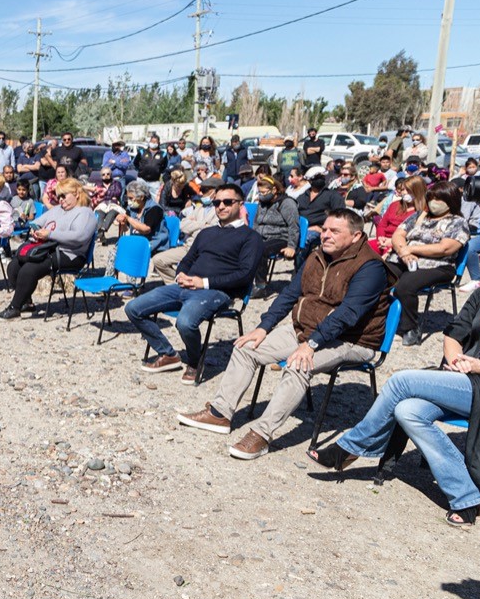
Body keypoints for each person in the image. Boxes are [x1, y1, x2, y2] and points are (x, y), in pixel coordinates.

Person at [177, 208, 391, 460]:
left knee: (298, 365)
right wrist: (262, 328)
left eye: (335, 231)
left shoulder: (370, 267)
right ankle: (220, 414)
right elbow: (289, 294)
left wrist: (311, 344)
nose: (326, 236)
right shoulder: (317, 255)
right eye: (324, 230)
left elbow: (348, 315)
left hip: (351, 338)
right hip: (307, 328)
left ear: (356, 237)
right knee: (246, 347)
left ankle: (261, 434)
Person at [311, 282, 480, 526]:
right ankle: (468, 496)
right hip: (462, 379)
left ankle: (349, 448)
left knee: (401, 381)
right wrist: (455, 361)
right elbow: (453, 334)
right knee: (407, 410)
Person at [125, 184, 264, 384]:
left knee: (185, 322)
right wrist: (181, 273)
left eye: (227, 202)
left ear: (240, 204)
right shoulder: (206, 233)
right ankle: (168, 354)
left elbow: (244, 275)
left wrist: (203, 282)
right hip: (185, 286)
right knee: (133, 308)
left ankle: (194, 360)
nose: (221, 206)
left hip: (216, 292)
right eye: (217, 202)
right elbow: (187, 259)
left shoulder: (251, 238)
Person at [0, 178, 97, 320]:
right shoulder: (57, 209)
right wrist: (34, 230)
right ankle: (26, 302)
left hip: (71, 254)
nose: (60, 200)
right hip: (49, 249)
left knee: (29, 269)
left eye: (64, 196)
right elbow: (37, 222)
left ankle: (15, 308)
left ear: (77, 194)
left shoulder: (85, 213)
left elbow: (79, 237)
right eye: (58, 196)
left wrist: (50, 234)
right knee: (14, 265)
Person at [385, 180, 468, 345]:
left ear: (450, 201)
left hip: (438, 265)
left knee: (405, 285)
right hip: (405, 258)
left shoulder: (458, 222)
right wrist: (403, 251)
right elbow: (398, 234)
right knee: (377, 275)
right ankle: (378, 319)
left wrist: (413, 250)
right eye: (432, 198)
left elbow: (445, 248)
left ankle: (409, 327)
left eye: (439, 199)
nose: (433, 203)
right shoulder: (419, 216)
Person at [151, 199, 218, 283]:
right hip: (188, 246)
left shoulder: (219, 210)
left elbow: (212, 230)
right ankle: (176, 283)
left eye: (206, 190)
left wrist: (193, 225)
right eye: (203, 190)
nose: (202, 194)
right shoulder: (199, 208)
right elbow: (183, 225)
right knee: (158, 260)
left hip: (204, 249)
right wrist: (203, 224)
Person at [251, 174, 300, 285]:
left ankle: (260, 284)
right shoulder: (262, 203)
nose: (262, 196)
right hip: (262, 236)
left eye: (264, 192)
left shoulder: (286, 203)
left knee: (260, 249)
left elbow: (293, 226)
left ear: (274, 190)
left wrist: (291, 246)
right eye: (260, 192)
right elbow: (256, 222)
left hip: (280, 237)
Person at [117, 180, 170, 256]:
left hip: (155, 245)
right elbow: (126, 229)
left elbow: (146, 229)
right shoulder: (131, 208)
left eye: (131, 198)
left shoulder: (154, 209)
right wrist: (123, 222)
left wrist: (128, 218)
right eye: (127, 198)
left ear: (141, 197)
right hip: (139, 242)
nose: (129, 201)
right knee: (120, 251)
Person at [92, 167, 125, 243]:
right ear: (101, 176)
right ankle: (101, 233)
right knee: (99, 213)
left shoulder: (117, 183)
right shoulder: (98, 184)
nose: (106, 175)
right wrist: (109, 194)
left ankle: (103, 229)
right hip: (102, 204)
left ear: (111, 175)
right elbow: (94, 194)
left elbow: (118, 193)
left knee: (112, 212)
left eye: (108, 174)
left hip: (113, 204)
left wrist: (103, 193)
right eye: (103, 174)